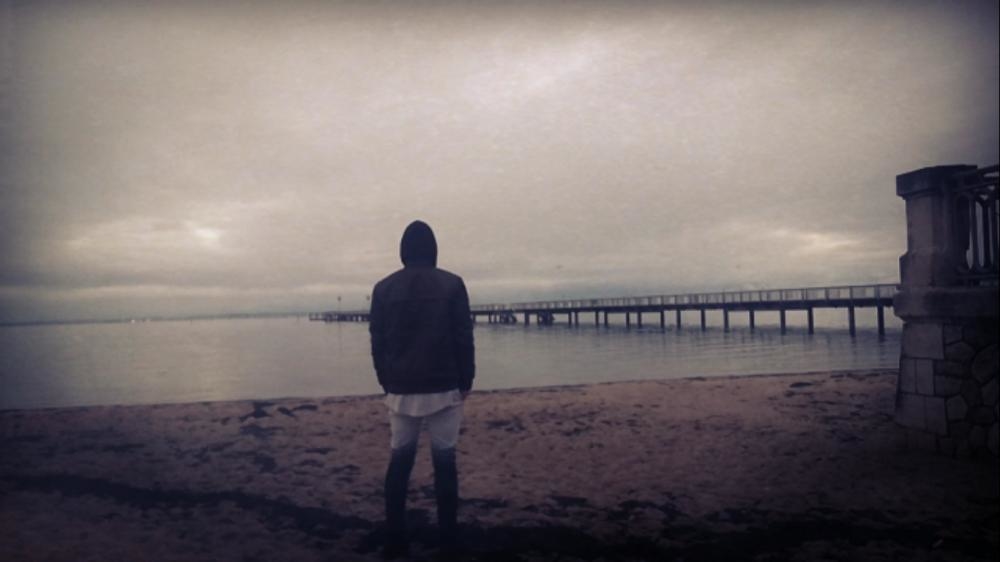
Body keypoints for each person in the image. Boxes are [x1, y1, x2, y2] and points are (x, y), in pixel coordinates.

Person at [369, 220, 475, 558]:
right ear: (433, 249)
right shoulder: (453, 284)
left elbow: (378, 342)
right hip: (445, 386)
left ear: (403, 251)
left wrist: (385, 381)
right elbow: (463, 337)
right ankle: (448, 540)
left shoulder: (383, 289)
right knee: (444, 460)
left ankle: (395, 539)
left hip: (401, 389)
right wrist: (467, 380)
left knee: (400, 460)